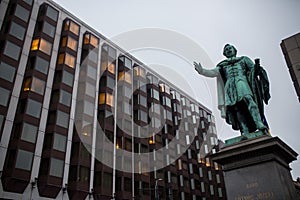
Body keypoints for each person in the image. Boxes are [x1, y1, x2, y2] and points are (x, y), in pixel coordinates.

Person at [194, 44, 270, 135]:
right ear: (224, 53)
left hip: (241, 81)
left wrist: (257, 67)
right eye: (226, 49)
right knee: (236, 108)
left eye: (230, 48)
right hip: (230, 86)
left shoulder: (244, 59)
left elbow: (253, 71)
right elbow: (213, 72)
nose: (228, 50)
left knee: (249, 100)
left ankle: (258, 123)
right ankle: (244, 130)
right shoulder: (222, 65)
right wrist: (202, 71)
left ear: (235, 50)